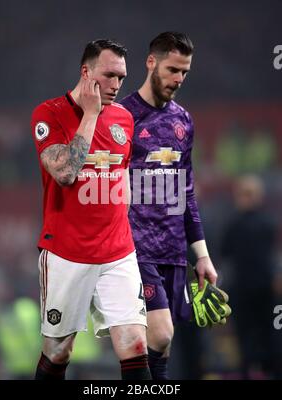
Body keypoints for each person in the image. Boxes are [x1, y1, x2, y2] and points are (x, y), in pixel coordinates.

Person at [31, 39, 151, 380]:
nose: (116, 85)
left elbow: (122, 175)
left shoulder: (125, 119)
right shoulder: (49, 113)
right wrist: (91, 114)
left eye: (122, 78)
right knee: (59, 350)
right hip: (68, 252)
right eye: (109, 75)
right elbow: (66, 173)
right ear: (86, 73)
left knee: (135, 343)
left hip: (117, 252)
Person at [120, 32, 218, 380]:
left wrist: (201, 255)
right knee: (160, 333)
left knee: (159, 343)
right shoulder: (122, 116)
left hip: (174, 251)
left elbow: (186, 191)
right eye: (173, 69)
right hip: (135, 248)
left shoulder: (183, 121)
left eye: (185, 72)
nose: (179, 79)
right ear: (151, 63)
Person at [221, 175, 278, 379]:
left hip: (255, 287)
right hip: (251, 287)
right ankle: (261, 370)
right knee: (255, 333)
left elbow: (225, 251)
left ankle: (260, 369)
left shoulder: (237, 224)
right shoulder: (264, 223)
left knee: (257, 333)